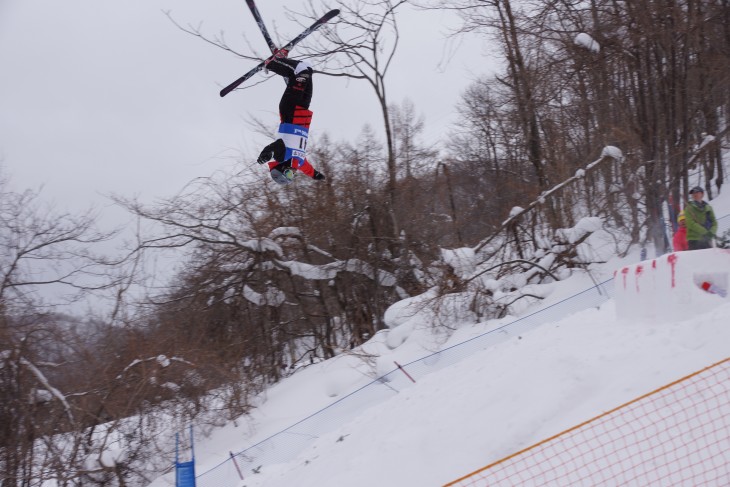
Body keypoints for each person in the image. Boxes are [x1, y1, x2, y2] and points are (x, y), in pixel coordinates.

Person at [256, 51, 326, 186]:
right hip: (302, 111)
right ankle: (281, 64)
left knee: (303, 73)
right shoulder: (298, 162)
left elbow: (274, 148)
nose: (293, 173)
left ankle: (271, 63)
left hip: (290, 110)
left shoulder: (282, 155)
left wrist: (266, 155)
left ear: (282, 167)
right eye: (292, 176)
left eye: (288, 173)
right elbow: (307, 168)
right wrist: (315, 175)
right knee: (308, 70)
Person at [684, 186, 717, 250]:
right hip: (694, 241)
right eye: (693, 193)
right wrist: (704, 232)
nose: (694, 194)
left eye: (696, 192)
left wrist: (711, 232)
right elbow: (690, 223)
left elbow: (714, 222)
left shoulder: (709, 208)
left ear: (702, 194)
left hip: (707, 240)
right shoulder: (688, 208)